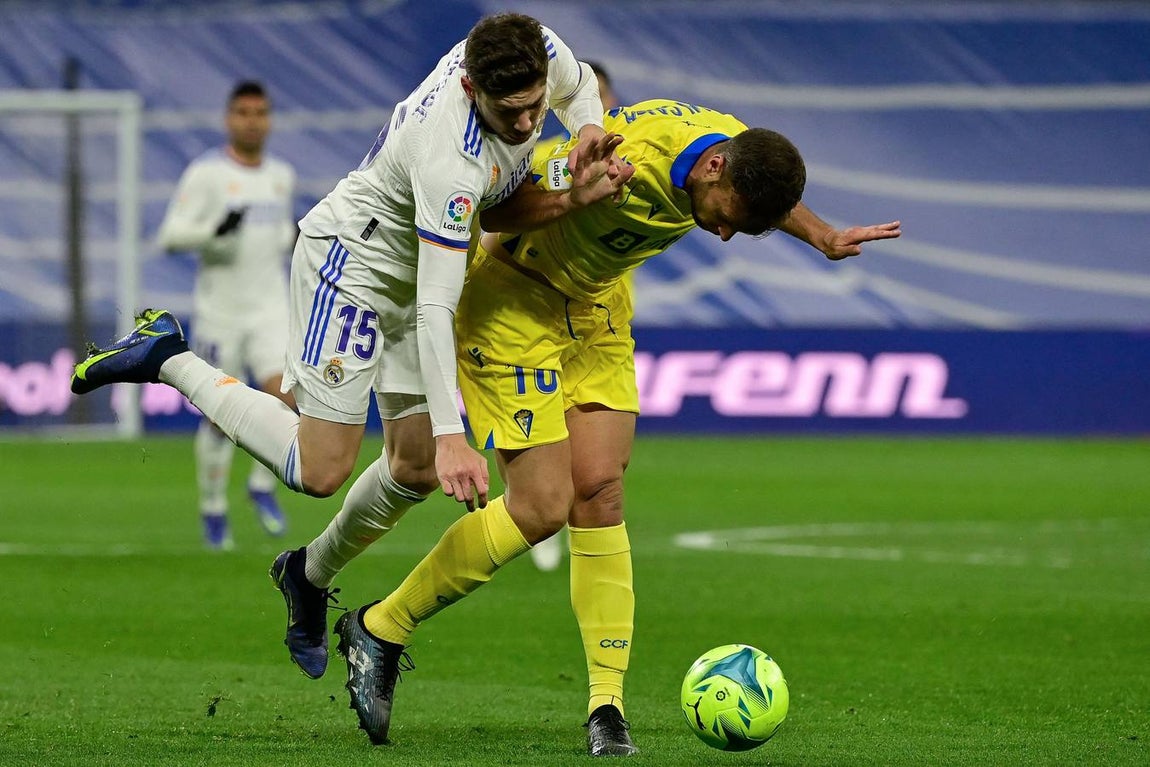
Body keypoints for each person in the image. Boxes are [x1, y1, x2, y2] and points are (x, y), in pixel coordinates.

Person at [315, 99, 901, 756]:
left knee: (600, 491)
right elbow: (495, 194)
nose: (725, 236)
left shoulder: (735, 150)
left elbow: (762, 186)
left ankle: (606, 704)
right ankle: (382, 624)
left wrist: (820, 235)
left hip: (595, 305)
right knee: (540, 507)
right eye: (726, 218)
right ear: (713, 169)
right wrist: (552, 205)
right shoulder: (627, 163)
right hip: (513, 303)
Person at [70, 8, 627, 683]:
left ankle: (306, 573)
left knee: (414, 469)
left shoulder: (533, 47)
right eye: (509, 112)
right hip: (358, 267)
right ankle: (167, 355)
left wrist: (589, 127)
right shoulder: (449, 154)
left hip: (416, 269)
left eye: (534, 105)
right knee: (321, 468)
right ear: (471, 90)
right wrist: (454, 432)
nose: (525, 123)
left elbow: (567, 104)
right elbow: (436, 302)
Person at [155, 80, 297, 550]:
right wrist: (215, 231)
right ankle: (213, 508)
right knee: (218, 417)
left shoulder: (281, 176)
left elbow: (280, 237)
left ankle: (261, 486)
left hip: (270, 309)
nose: (252, 120)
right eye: (242, 112)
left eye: (260, 112)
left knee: (287, 398)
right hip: (220, 312)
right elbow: (170, 236)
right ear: (228, 118)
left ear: (269, 119)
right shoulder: (207, 174)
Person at [528, 61, 619, 572]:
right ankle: (541, 515)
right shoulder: (546, 159)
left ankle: (560, 514)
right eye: (590, 99)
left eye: (604, 98)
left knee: (594, 453)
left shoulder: (634, 157)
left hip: (600, 321)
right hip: (539, 318)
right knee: (544, 428)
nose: (598, 110)